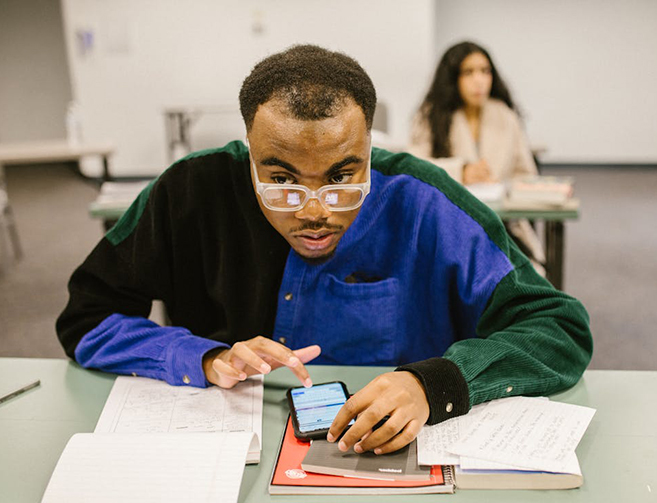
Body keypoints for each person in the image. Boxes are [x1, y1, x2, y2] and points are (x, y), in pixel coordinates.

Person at [57, 44, 592, 457]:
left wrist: (437, 384)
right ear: (248, 153)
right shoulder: (188, 192)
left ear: (369, 151)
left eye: (342, 176)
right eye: (281, 178)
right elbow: (86, 316)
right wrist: (203, 357)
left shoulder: (425, 202)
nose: (315, 211)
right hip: (232, 470)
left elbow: (558, 327)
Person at [409, 41, 544, 268]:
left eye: (485, 71)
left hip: (503, 227)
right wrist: (461, 171)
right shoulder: (431, 116)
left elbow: (525, 174)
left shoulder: (504, 115)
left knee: (525, 274)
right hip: (447, 226)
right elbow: (414, 166)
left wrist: (504, 186)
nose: (479, 80)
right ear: (453, 78)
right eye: (468, 72)